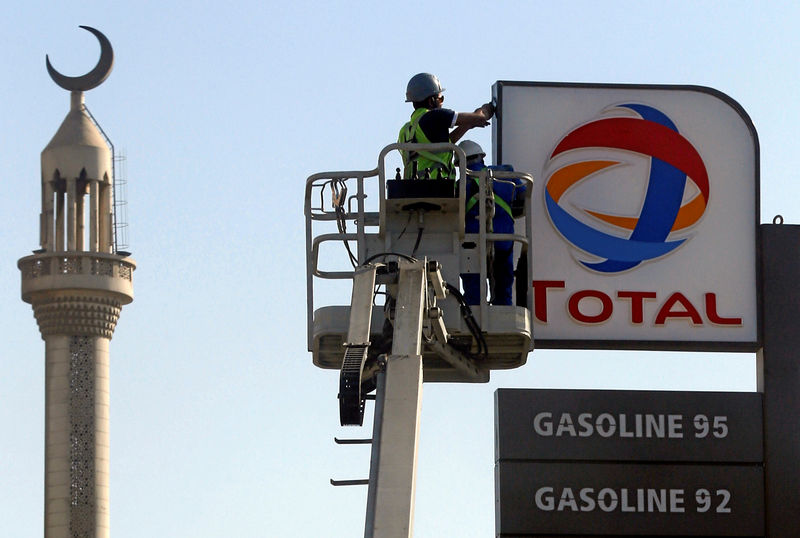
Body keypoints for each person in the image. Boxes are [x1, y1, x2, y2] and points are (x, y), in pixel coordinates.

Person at [458, 140, 525, 306]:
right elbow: (523, 199)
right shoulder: (507, 175)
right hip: (503, 240)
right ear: (481, 157)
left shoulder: (462, 184)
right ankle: (503, 310)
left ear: (460, 163)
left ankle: (474, 313)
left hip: (472, 242)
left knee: (473, 284)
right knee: (503, 282)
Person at [398, 73, 495, 179]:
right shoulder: (434, 116)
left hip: (413, 190)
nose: (442, 103)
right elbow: (479, 117)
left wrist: (467, 125)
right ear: (431, 101)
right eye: (441, 98)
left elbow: (441, 146)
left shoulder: (406, 130)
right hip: (437, 187)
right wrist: (488, 108)